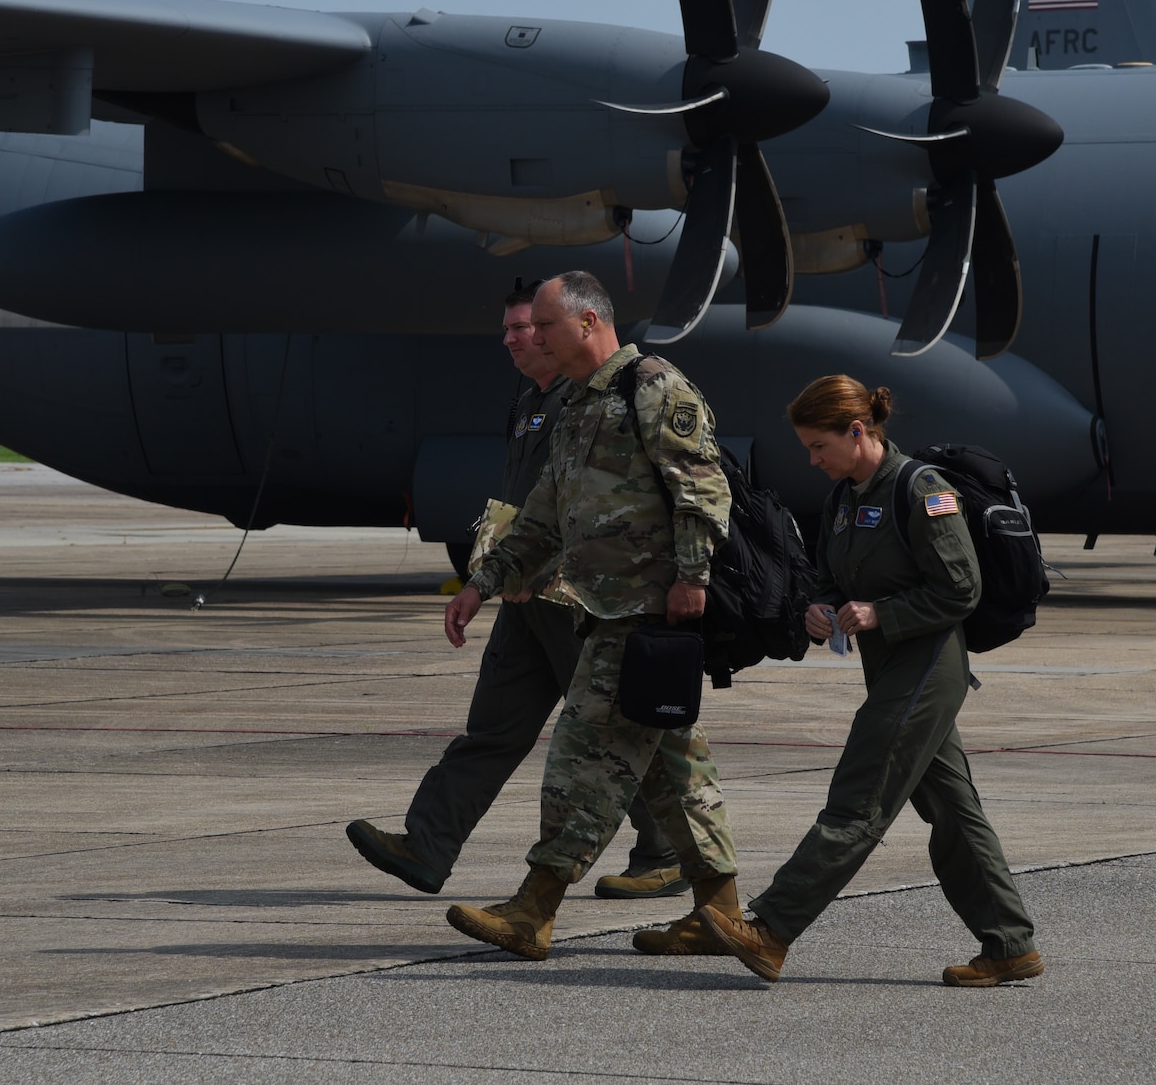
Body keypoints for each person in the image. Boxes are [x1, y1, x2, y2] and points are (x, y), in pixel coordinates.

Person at [698, 374, 1041, 987]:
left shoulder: (922, 490)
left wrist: (883, 613)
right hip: (890, 665)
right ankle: (1010, 944)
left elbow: (961, 588)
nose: (812, 459)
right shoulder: (845, 498)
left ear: (858, 432)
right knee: (954, 812)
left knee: (861, 796)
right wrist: (822, 606)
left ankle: (772, 929)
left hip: (927, 664)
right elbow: (839, 574)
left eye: (819, 446)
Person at [440, 270, 741, 961]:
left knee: (580, 757)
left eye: (543, 326)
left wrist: (692, 578)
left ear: (585, 323)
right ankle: (720, 912)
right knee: (675, 771)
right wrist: (480, 584)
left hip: (645, 615)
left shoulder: (654, 387)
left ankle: (534, 906)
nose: (534, 338)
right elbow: (542, 517)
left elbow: (704, 489)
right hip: (602, 610)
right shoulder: (576, 404)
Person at [344, 284, 683, 898]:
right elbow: (527, 505)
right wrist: (486, 580)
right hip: (526, 592)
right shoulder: (533, 399)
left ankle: (669, 850)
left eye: (528, 327)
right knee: (494, 728)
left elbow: (603, 504)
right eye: (512, 329)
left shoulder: (601, 399)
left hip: (578, 599)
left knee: (619, 727)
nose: (515, 339)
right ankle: (428, 843)